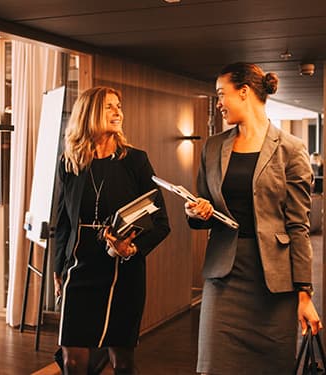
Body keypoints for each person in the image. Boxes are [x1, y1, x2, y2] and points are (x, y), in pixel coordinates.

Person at [184, 62, 322, 374]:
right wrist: (195, 211)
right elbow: (201, 208)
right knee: (212, 365)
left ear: (244, 92)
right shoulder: (212, 147)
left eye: (222, 94)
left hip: (274, 284)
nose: (217, 102)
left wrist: (304, 293)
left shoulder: (292, 149)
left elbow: (298, 226)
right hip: (224, 277)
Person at [54, 86, 170, 374]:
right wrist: (59, 268)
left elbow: (161, 222)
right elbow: (63, 222)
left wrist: (132, 248)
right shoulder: (70, 163)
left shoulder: (135, 161)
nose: (118, 112)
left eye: (119, 106)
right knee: (72, 362)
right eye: (109, 106)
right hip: (78, 270)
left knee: (122, 362)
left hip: (123, 271)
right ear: (89, 113)